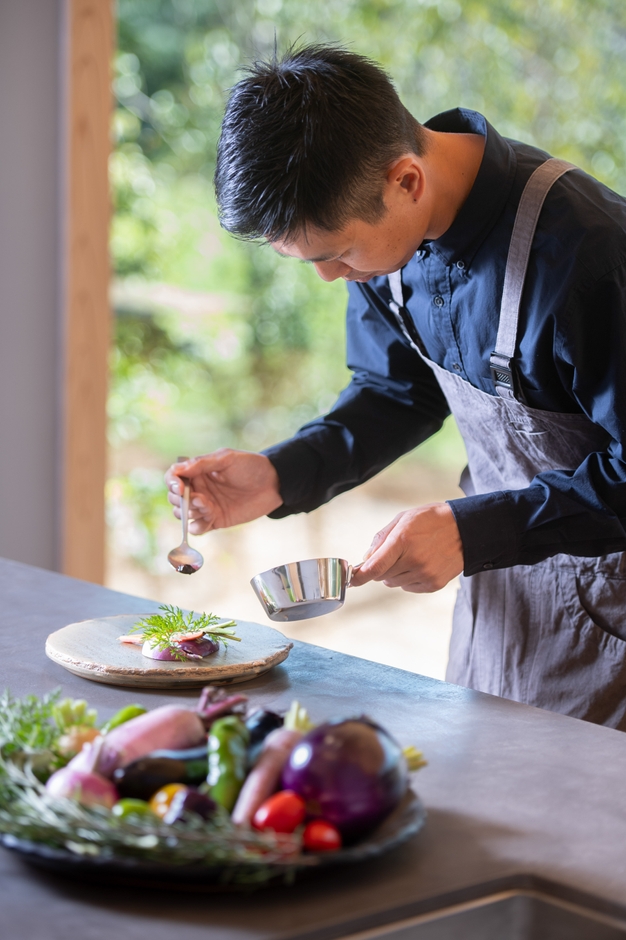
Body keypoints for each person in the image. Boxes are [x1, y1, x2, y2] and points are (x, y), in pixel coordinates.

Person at [165, 44, 626, 729]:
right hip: (502, 603)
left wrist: (475, 529)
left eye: (336, 254)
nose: (329, 278)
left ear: (406, 180)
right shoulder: (387, 239)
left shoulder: (589, 254)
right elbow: (395, 391)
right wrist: (278, 474)